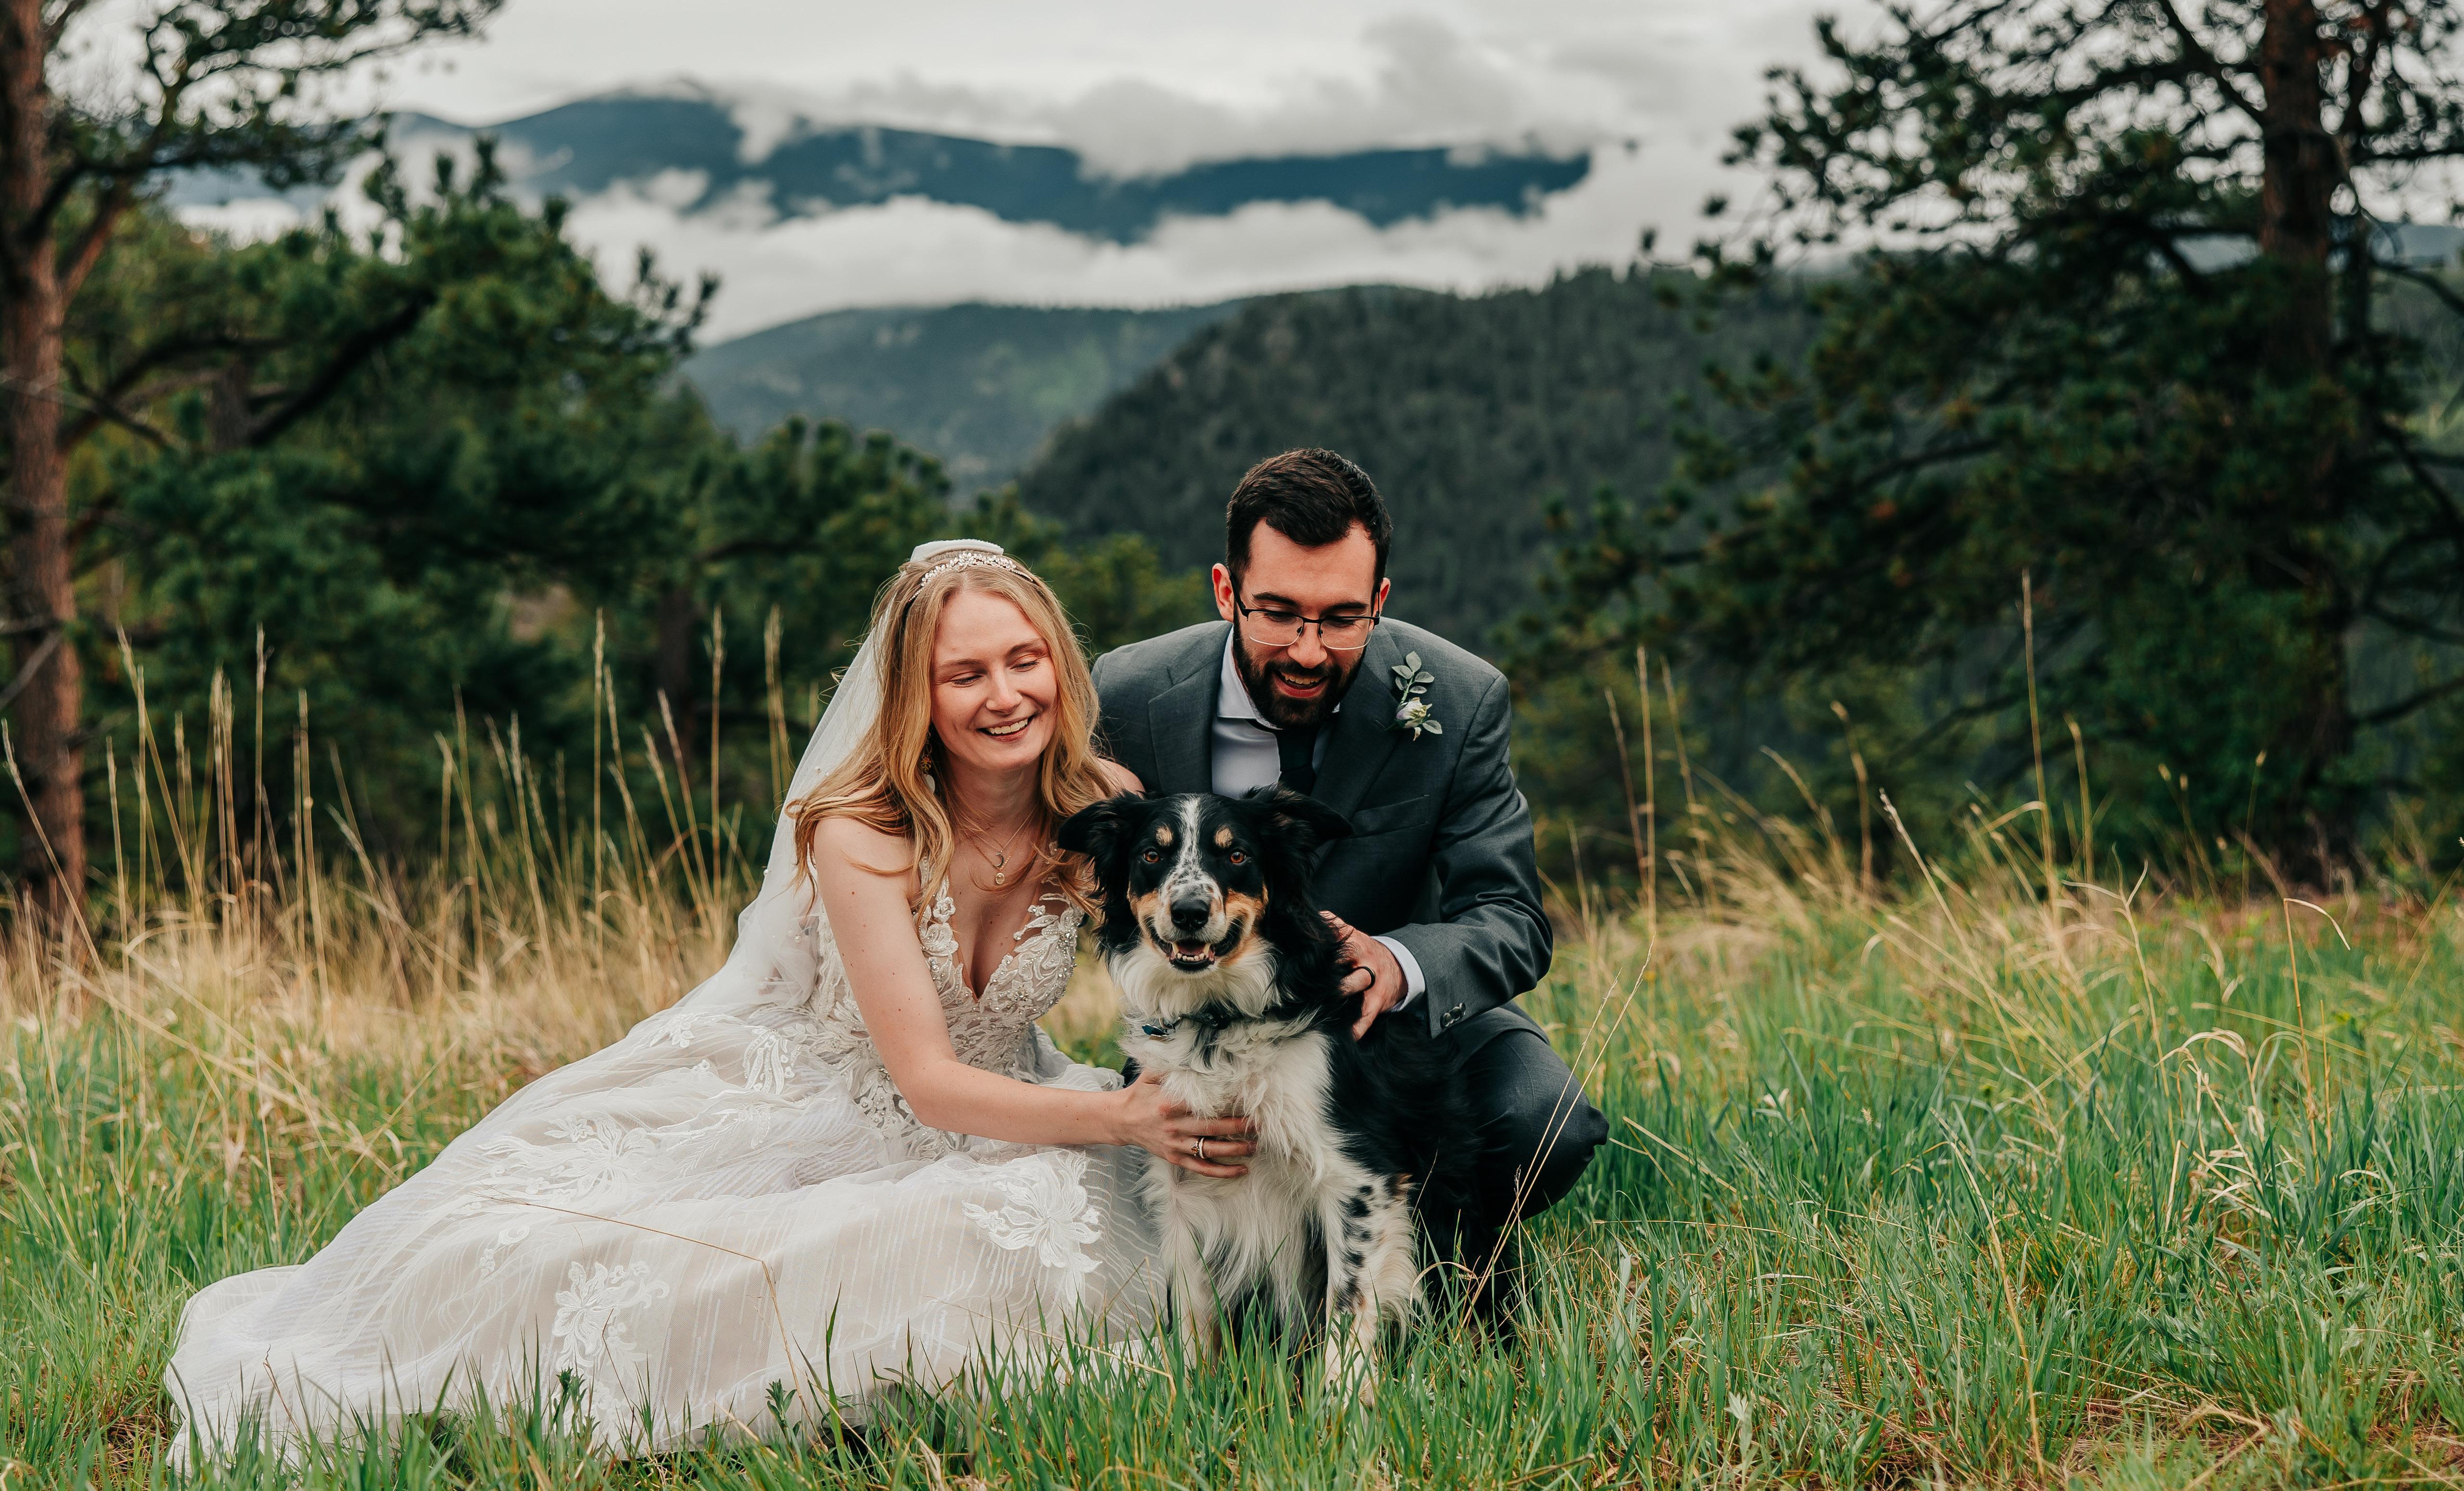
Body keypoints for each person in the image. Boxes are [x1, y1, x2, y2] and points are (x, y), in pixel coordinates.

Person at [167, 542, 1242, 1459]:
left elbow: (1183, 948)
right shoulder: (862, 832)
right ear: (918, 693)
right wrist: (1118, 1114)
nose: (1004, 695)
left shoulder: (1104, 805)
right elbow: (924, 1081)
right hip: (839, 1096)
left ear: (1059, 666)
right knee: (566, 1255)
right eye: (965, 674)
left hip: (1012, 1091)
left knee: (1078, 1218)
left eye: (1024, 661)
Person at [1091, 449, 1609, 1315]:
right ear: (1225, 591)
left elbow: (1511, 916)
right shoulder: (1130, 690)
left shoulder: (1459, 698)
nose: (1307, 650)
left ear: (1380, 600)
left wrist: (1397, 963)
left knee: (1539, 1119)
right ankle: (1259, 1297)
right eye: (1277, 614)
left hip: (1404, 1030)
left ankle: (1450, 1280)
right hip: (1204, 1025)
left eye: (1340, 619)